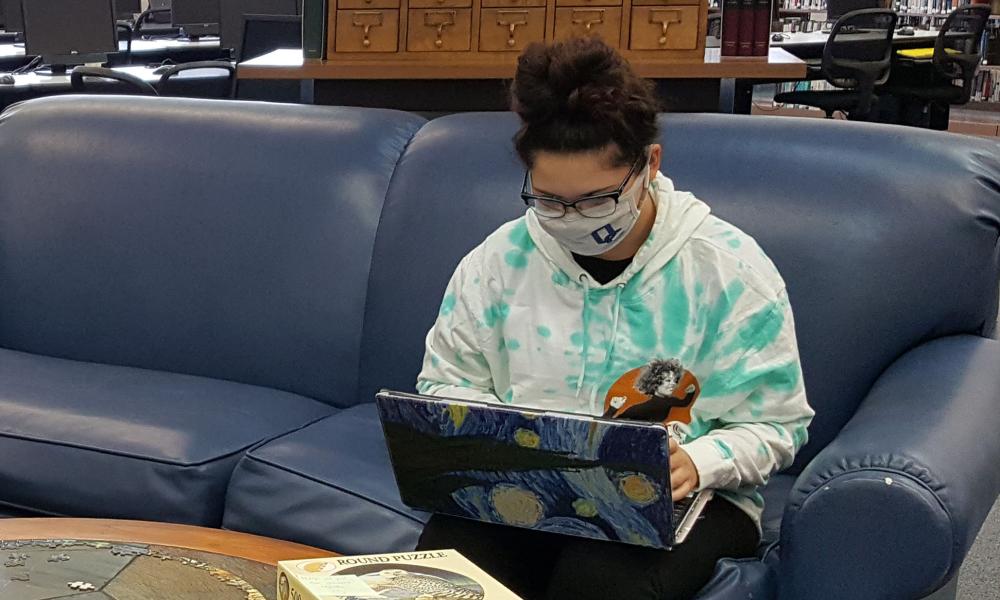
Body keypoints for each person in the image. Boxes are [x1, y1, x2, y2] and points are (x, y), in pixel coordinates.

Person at [413, 36, 815, 600]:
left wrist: (698, 462)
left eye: (597, 201)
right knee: (438, 582)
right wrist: (484, 440)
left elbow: (778, 425)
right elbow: (443, 385)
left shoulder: (728, 271)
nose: (572, 220)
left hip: (690, 496)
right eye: (550, 201)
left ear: (650, 164)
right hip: (524, 487)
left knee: (596, 583)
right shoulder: (498, 262)